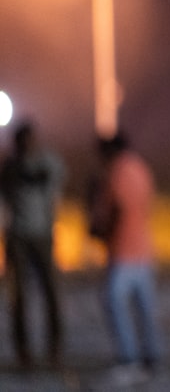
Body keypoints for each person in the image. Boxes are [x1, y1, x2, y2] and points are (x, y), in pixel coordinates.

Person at [91, 133, 165, 386]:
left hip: (124, 250)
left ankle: (128, 359)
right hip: (143, 248)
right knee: (144, 308)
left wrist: (101, 229)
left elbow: (117, 208)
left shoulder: (118, 171)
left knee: (114, 302)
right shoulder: (141, 168)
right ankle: (152, 359)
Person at [0, 121, 64, 368]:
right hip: (17, 235)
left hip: (42, 235)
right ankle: (23, 351)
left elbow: (56, 185)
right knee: (19, 297)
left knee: (50, 293)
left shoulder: (47, 163)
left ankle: (54, 349)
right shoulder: (10, 168)